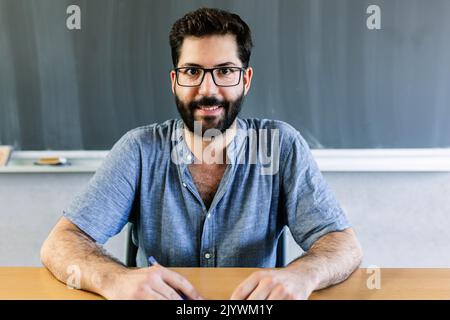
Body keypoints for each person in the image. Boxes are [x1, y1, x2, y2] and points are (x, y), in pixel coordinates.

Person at [41, 7, 362, 300]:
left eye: (224, 71)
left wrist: (302, 274)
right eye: (192, 71)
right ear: (175, 82)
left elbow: (342, 243)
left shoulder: (281, 145)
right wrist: (115, 279)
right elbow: (61, 243)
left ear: (246, 80)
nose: (207, 89)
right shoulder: (138, 150)